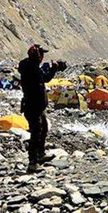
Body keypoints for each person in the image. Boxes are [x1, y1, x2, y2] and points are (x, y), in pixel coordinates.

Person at [18, 44, 67, 173]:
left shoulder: (28, 66)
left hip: (36, 106)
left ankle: (40, 154)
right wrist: (54, 68)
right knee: (36, 133)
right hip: (33, 107)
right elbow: (45, 77)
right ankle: (32, 162)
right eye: (41, 55)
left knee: (43, 128)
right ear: (38, 56)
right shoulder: (33, 69)